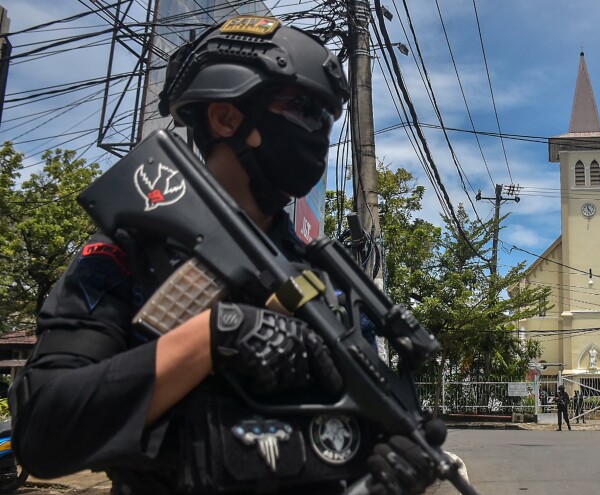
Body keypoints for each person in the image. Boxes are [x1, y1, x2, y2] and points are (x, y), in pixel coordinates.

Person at [9, 16, 440, 495]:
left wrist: (390, 475)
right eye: (304, 109)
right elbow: (43, 431)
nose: (320, 134)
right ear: (227, 117)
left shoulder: (323, 278)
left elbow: (337, 444)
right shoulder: (132, 251)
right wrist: (216, 335)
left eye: (327, 119)